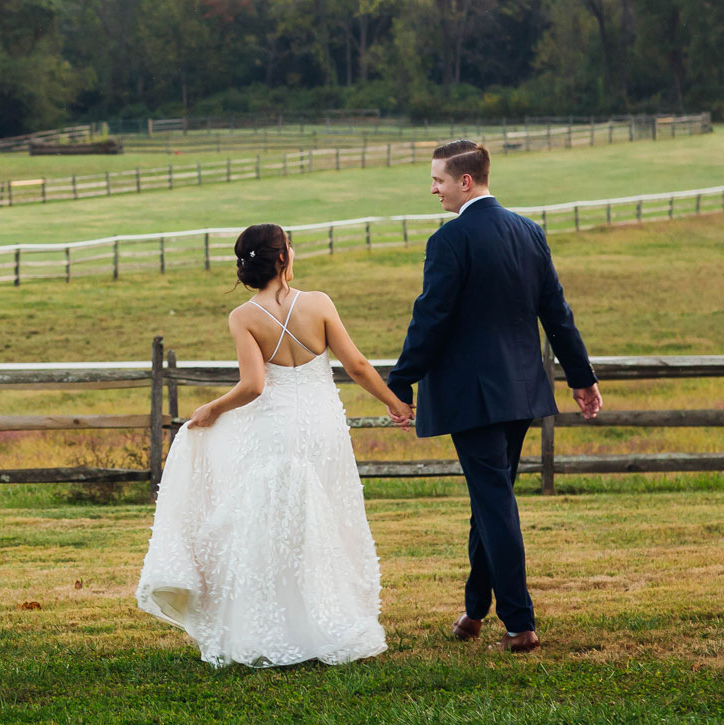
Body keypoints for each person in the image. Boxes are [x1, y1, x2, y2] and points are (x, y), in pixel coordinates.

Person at [135, 223, 413, 668]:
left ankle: (276, 624)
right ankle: (327, 616)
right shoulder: (318, 303)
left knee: (271, 522)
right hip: (323, 426)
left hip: (275, 429)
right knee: (320, 516)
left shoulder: (243, 316)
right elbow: (357, 365)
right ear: (283, 258)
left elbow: (252, 387)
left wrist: (212, 408)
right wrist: (396, 403)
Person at [387, 140, 602, 654]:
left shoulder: (449, 240)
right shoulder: (530, 232)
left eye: (438, 179)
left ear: (466, 181)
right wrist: (582, 377)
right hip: (522, 390)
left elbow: (431, 318)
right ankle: (474, 611)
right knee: (491, 498)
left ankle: (520, 622)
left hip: (473, 397)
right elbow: (558, 314)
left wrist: (399, 381)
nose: (432, 187)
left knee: (494, 501)